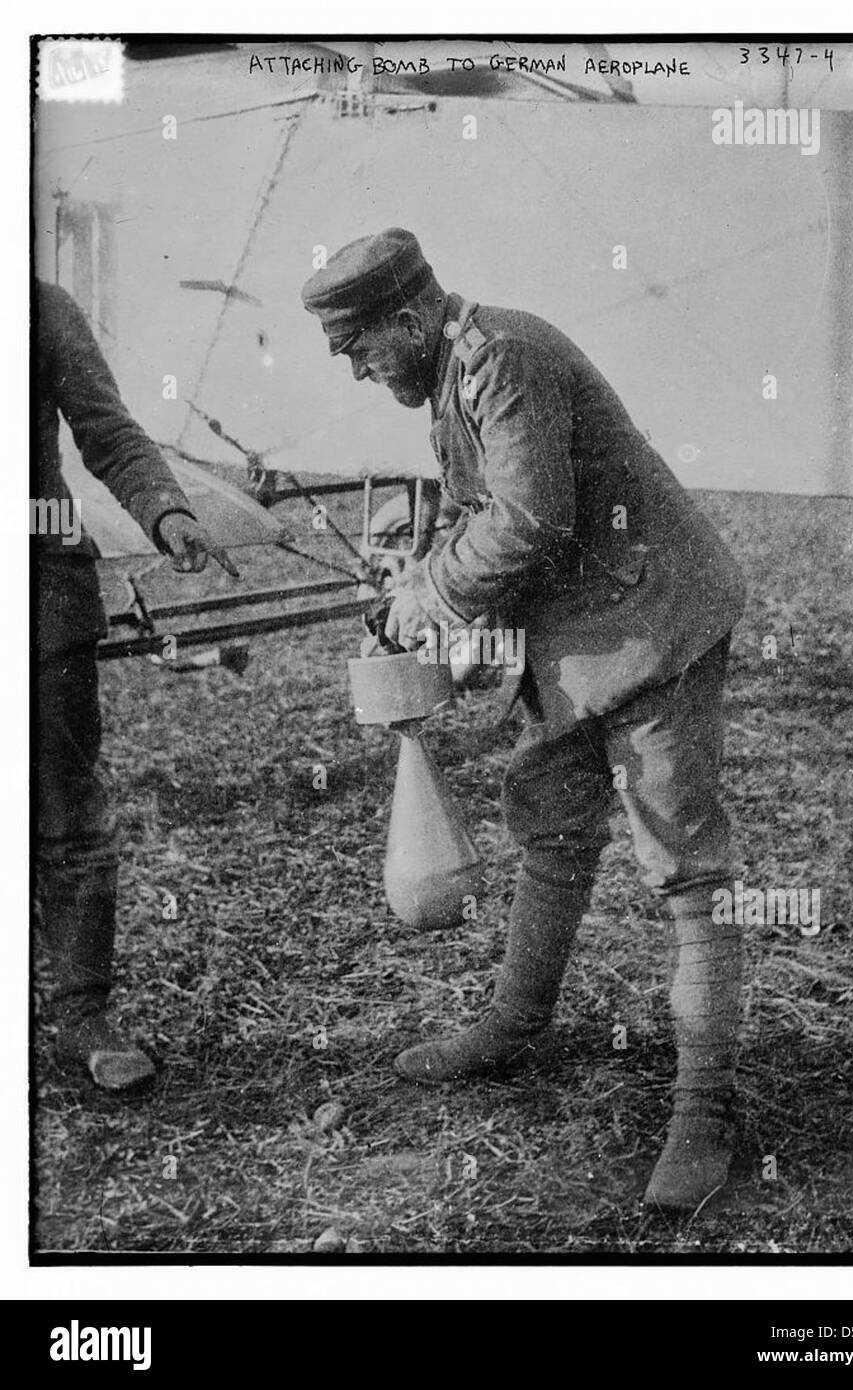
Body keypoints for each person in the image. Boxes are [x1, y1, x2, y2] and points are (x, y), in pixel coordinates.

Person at [301, 230, 747, 1211]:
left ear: (409, 319)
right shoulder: (455, 383)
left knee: (685, 874)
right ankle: (515, 1023)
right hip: (580, 638)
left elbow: (530, 520)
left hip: (656, 620)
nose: (364, 372)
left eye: (364, 350)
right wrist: (441, 654)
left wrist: (422, 601)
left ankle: (706, 1114)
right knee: (551, 824)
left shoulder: (500, 355)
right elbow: (485, 535)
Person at [33, 279, 237, 1092]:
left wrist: (166, 513)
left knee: (68, 813)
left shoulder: (42, 309)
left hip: (40, 593)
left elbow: (108, 433)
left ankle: (82, 1018)